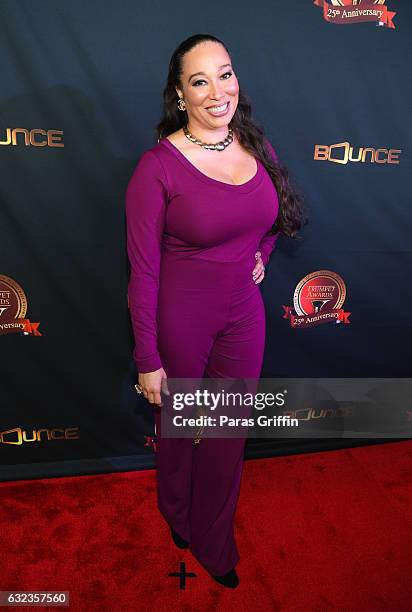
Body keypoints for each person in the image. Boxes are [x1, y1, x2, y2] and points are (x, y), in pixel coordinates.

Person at [125, 33, 305, 588]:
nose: (217, 90)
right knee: (179, 427)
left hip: (244, 314)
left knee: (227, 429)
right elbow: (143, 271)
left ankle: (213, 536)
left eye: (224, 74)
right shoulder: (156, 168)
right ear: (180, 95)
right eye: (199, 81)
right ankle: (176, 510)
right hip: (180, 315)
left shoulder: (259, 147)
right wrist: (147, 357)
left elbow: (274, 218)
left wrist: (261, 254)